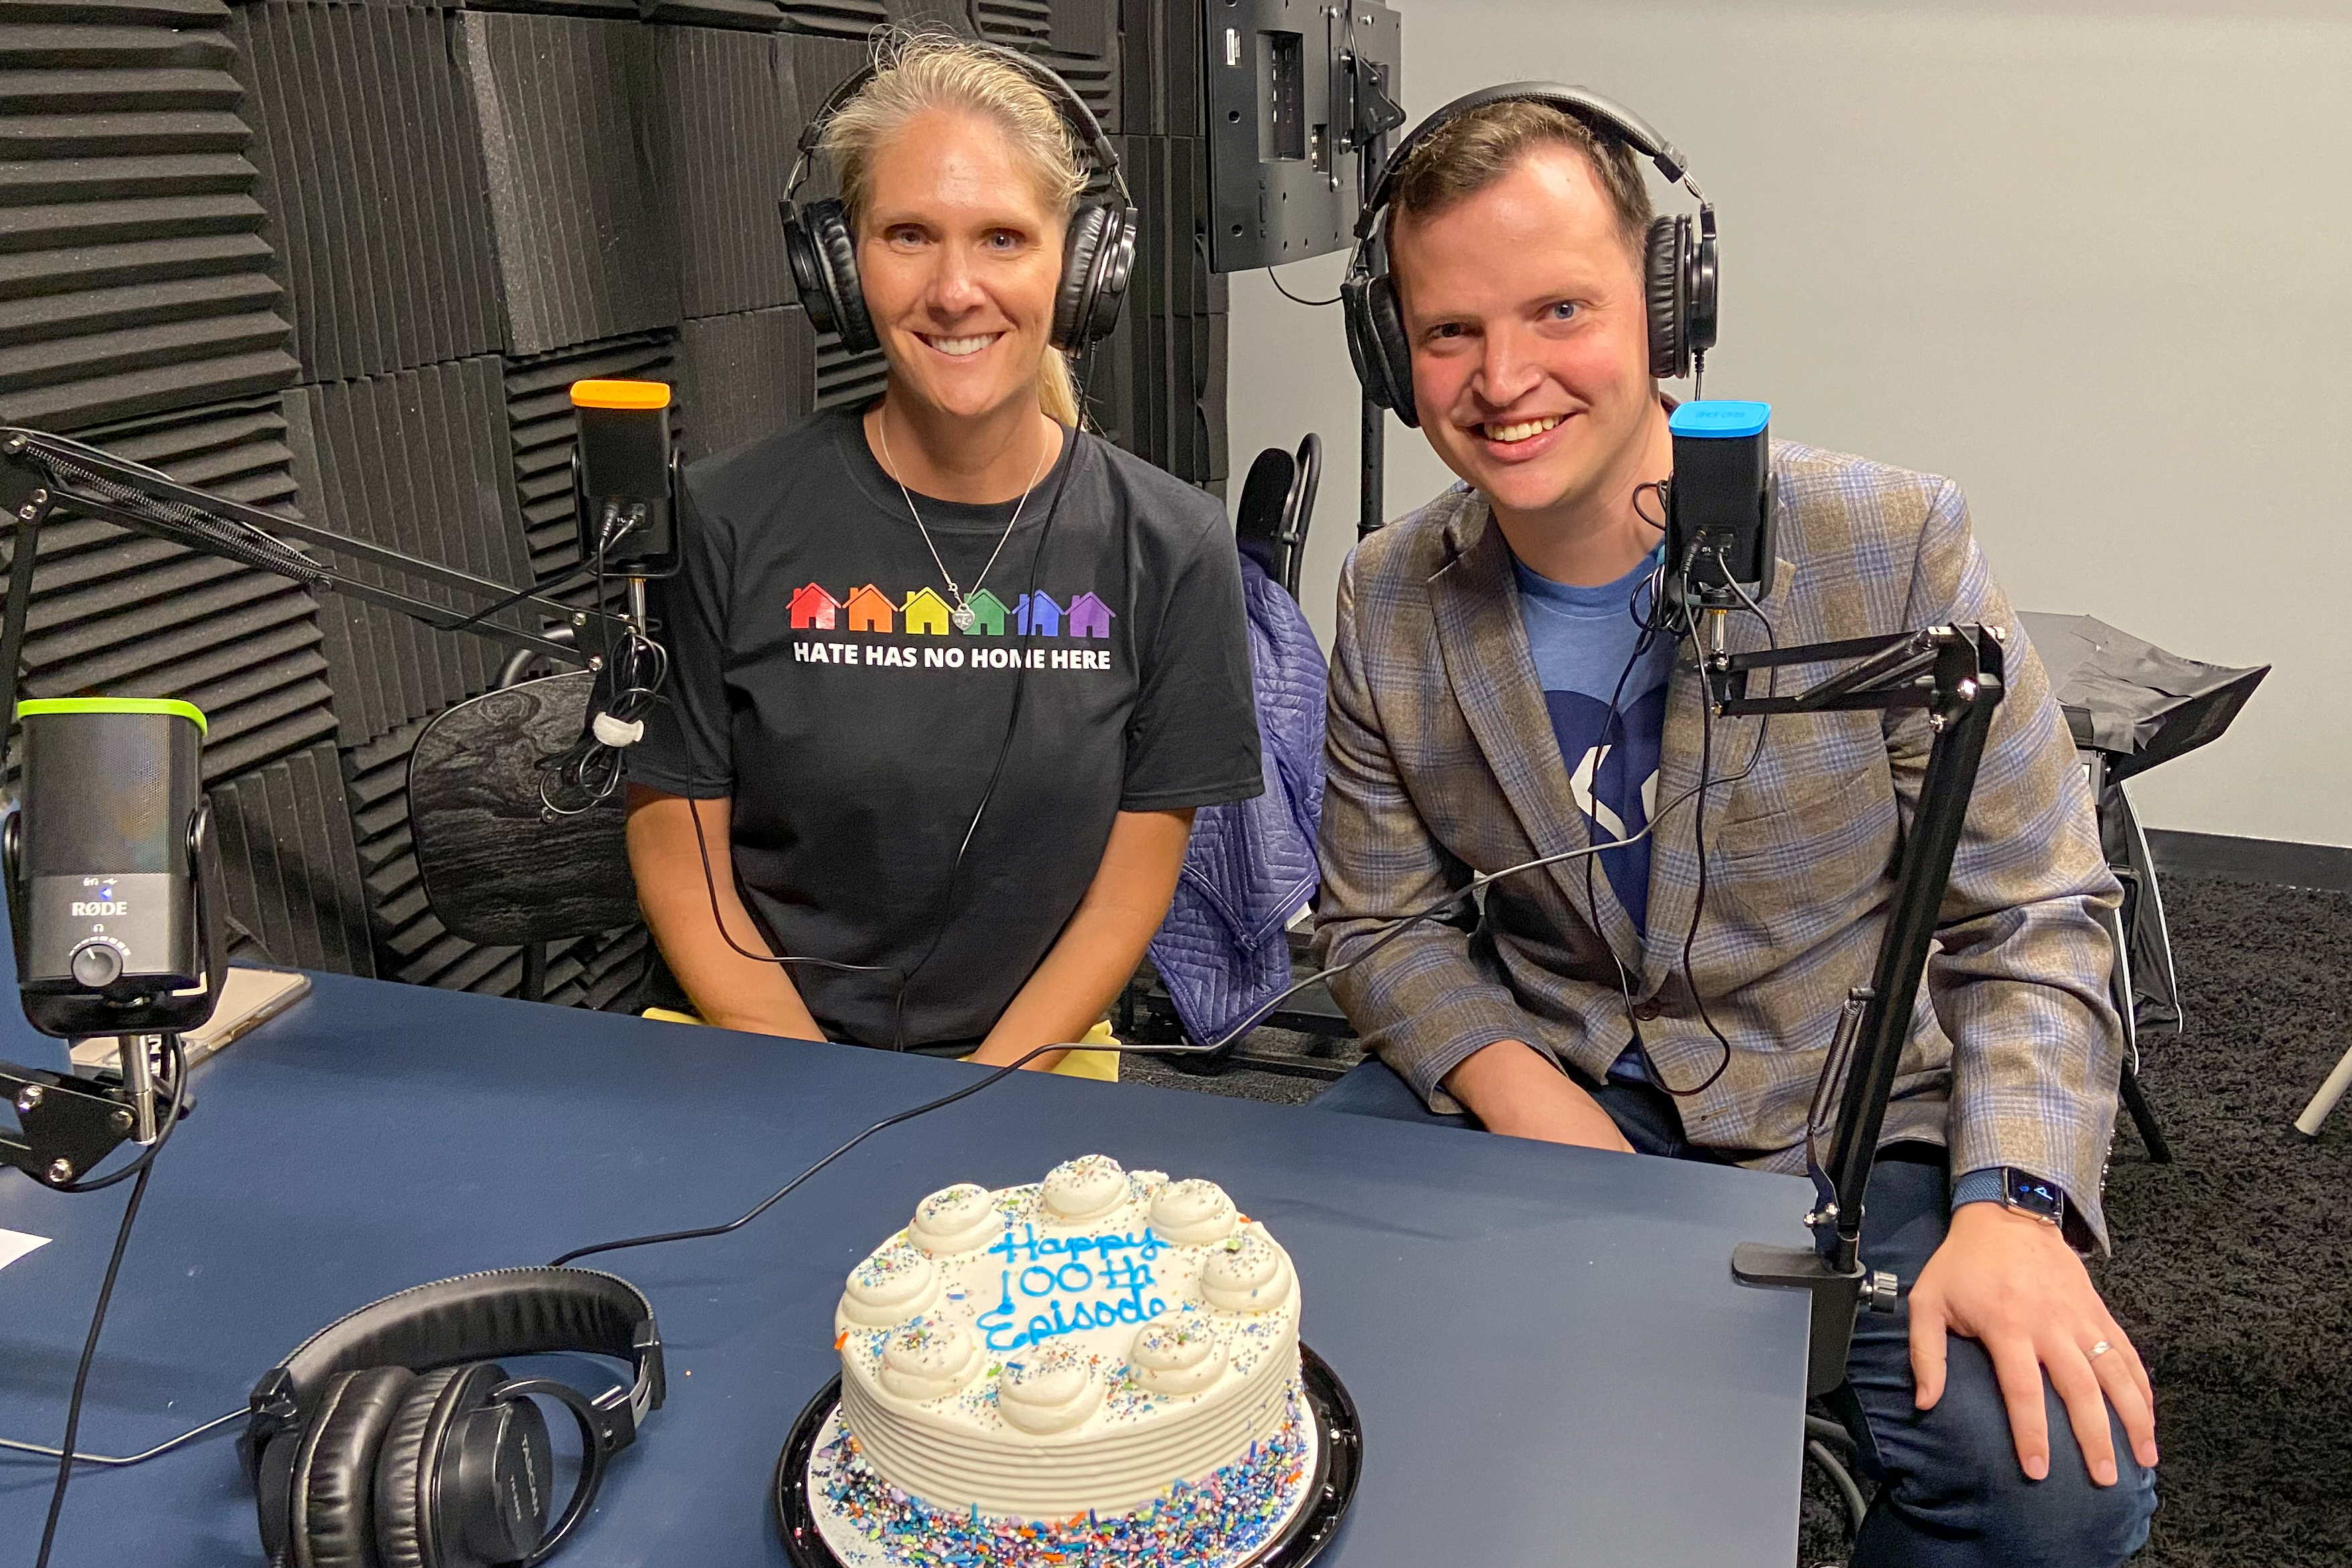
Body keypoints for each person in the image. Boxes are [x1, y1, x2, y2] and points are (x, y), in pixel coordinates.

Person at [1311, 89, 2158, 1564]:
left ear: (1665, 304)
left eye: (1557, 308)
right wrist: (1530, 1098)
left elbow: (2032, 907)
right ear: (1393, 352)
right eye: (1447, 330)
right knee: (1282, 1336)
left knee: (2047, 1487)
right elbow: (1378, 924)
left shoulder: (1884, 541)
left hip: (1851, 1104)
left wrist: (2014, 1203)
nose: (1500, 378)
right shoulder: (1391, 594)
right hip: (1561, 1069)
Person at [627, 34, 1260, 1072]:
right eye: (909, 234)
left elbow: (1126, 893)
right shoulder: (719, 517)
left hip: (1032, 1063)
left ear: (1085, 263)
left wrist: (982, 1098)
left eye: (1004, 238)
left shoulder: (1175, 544)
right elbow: (677, 856)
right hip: (755, 1054)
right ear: (839, 264)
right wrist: (824, 1095)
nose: (956, 288)